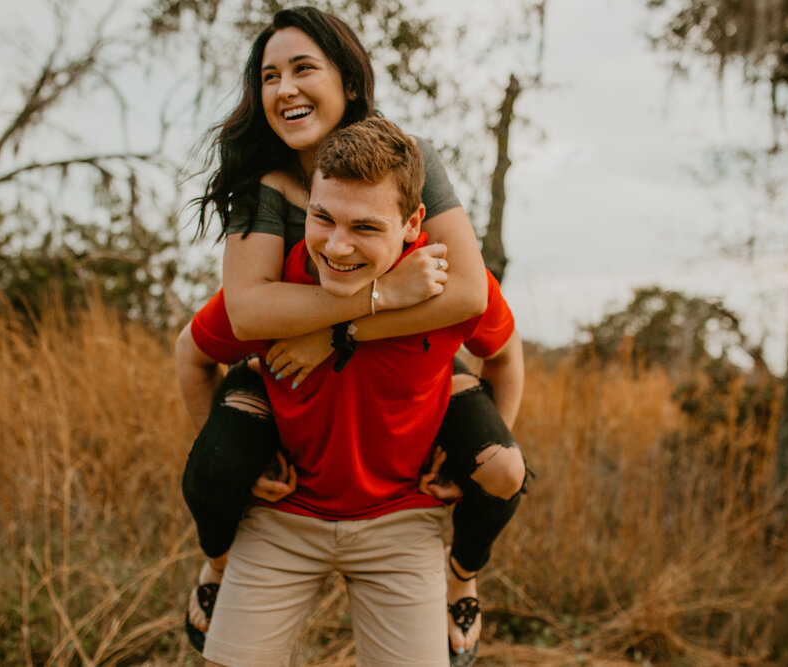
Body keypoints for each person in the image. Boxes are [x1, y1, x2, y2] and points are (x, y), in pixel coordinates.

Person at [179, 6, 527, 661]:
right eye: (268, 75)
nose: (283, 88)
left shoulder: (414, 165)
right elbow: (248, 314)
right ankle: (219, 559)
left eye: (303, 68)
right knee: (218, 466)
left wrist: (337, 334)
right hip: (289, 404)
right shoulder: (265, 188)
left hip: (402, 413)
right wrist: (380, 294)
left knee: (502, 464)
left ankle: (462, 572)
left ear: (350, 80)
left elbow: (467, 296)